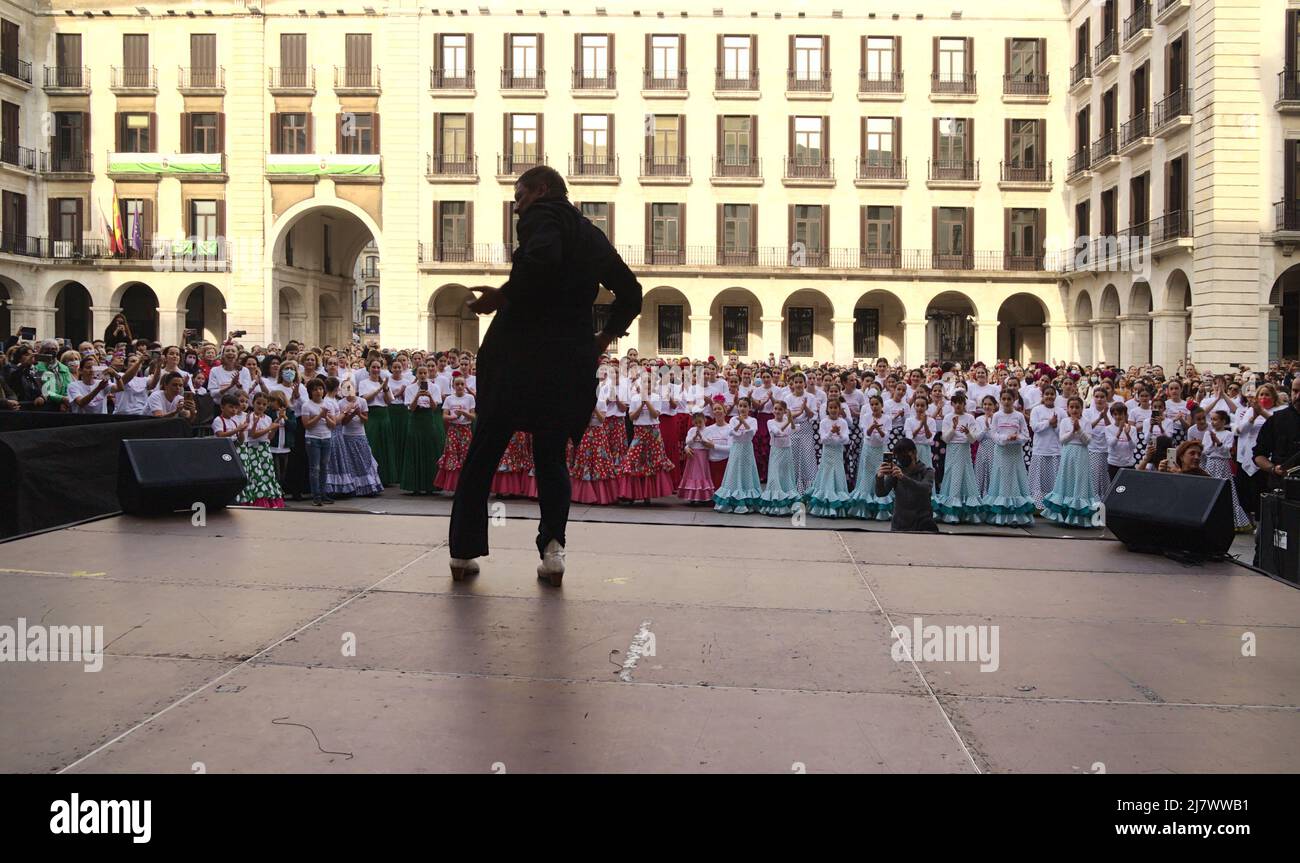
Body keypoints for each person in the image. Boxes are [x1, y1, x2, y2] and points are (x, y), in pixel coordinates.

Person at [447, 166, 641, 585]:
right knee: (551, 458)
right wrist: (603, 337)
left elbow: (543, 259)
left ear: (542, 189)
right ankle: (553, 552)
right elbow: (632, 292)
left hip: (518, 353)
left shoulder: (542, 215)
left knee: (484, 451)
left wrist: (505, 295)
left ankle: (462, 553)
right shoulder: (591, 235)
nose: (517, 206)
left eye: (520, 196)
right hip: (567, 359)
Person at [1042, 396, 1100, 528]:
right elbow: (1062, 440)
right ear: (1067, 408)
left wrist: (1079, 430)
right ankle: (1064, 513)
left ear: (1081, 409)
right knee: (1066, 479)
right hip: (1068, 454)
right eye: (1071, 407)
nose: (1074, 410)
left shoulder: (1086, 422)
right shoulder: (1064, 422)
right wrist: (1072, 432)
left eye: (1077, 407)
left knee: (1080, 480)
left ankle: (1079, 514)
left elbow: (1088, 441)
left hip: (1081, 454)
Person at [984, 388, 1035, 526]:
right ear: (1000, 400)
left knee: (1014, 480)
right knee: (1002, 481)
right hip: (1001, 453)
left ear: (1014, 400)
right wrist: (1006, 438)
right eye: (1004, 399)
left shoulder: (1019, 416)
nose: (1006, 402)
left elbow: (1026, 435)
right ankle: (1001, 516)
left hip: (1015, 453)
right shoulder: (996, 416)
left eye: (1009, 399)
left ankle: (1015, 516)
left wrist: (1016, 437)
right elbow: (993, 434)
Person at [933, 392, 982, 524]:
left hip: (964, 449)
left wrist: (967, 433)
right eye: (956, 403)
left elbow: (973, 440)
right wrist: (953, 428)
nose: (958, 405)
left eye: (961, 402)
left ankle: (966, 512)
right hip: (952, 449)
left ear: (964, 404)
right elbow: (945, 438)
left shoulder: (970, 418)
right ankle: (951, 511)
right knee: (952, 475)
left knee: (966, 476)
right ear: (952, 404)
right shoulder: (948, 417)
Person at [875, 438, 938, 533]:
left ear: (914, 452)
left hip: (922, 524)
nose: (901, 457)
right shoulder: (895, 472)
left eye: (904, 453)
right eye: (898, 455)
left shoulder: (927, 471)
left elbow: (925, 489)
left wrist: (903, 478)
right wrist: (879, 478)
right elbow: (881, 493)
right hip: (899, 525)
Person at [713, 397, 763, 514]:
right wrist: (739, 423)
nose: (742, 408)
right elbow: (731, 432)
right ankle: (731, 501)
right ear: (737, 407)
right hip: (736, 449)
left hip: (747, 448)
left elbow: (751, 432)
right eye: (740, 406)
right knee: (734, 471)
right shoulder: (733, 420)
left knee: (747, 472)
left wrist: (744, 422)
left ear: (749, 408)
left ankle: (748, 501)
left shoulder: (753, 420)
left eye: (745, 406)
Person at [806, 398, 853, 518]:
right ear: (827, 409)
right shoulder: (824, 422)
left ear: (839, 409)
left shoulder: (843, 422)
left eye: (835, 408)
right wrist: (831, 432)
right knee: (826, 475)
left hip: (837, 453)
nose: (833, 410)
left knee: (837, 475)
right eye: (831, 408)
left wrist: (839, 433)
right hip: (827, 453)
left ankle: (837, 505)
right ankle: (823, 504)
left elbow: (846, 440)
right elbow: (823, 440)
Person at [436, 372, 476, 493]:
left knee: (465, 455)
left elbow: (473, 416)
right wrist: (453, 417)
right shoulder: (449, 398)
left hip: (465, 430)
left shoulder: (470, 398)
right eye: (457, 384)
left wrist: (463, 413)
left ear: (465, 385)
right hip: (453, 429)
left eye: (461, 384)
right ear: (453, 386)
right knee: (453, 455)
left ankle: (465, 485)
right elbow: (444, 416)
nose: (459, 386)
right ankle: (453, 485)